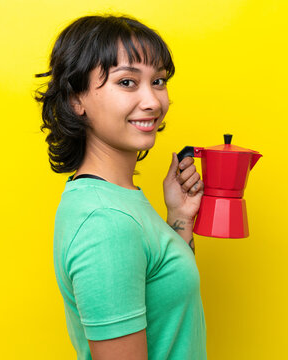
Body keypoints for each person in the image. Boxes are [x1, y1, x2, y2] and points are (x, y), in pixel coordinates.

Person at [34, 13, 206, 360]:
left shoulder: (115, 199)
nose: (153, 102)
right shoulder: (105, 221)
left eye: (158, 81)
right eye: (127, 82)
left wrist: (180, 218)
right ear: (75, 100)